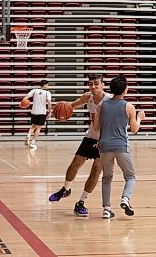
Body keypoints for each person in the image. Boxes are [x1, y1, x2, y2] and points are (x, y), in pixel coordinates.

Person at [48, 74, 112, 217]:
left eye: (96, 84)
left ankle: (81, 203)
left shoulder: (110, 100)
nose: (93, 87)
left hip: (105, 140)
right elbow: (71, 106)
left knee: (96, 170)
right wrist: (60, 111)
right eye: (91, 84)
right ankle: (66, 189)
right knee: (74, 164)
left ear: (103, 85)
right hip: (90, 136)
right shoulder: (87, 97)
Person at [94, 75, 145, 219]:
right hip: (121, 146)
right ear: (125, 90)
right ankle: (125, 199)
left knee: (106, 177)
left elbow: (96, 127)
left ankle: (106, 209)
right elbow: (134, 130)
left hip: (104, 146)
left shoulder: (101, 105)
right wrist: (140, 118)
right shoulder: (129, 107)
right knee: (130, 177)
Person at [23, 80, 52, 149]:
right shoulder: (47, 93)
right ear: (44, 85)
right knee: (38, 128)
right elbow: (49, 103)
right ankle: (33, 143)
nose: (48, 86)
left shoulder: (34, 90)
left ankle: (28, 135)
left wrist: (22, 103)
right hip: (42, 112)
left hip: (34, 111)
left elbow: (26, 97)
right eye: (47, 85)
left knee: (33, 126)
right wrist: (50, 112)